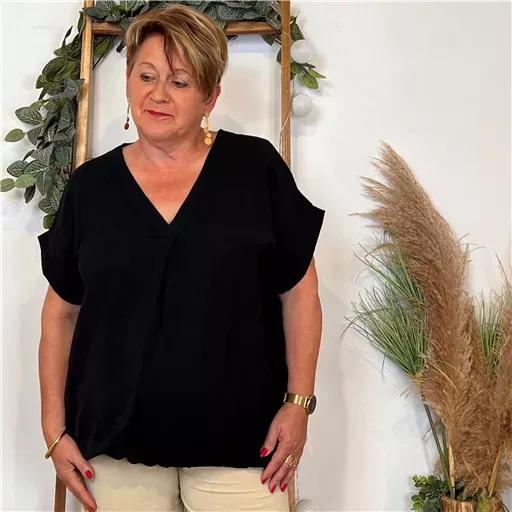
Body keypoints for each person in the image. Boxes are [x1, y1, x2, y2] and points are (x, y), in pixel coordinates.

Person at [38, 4, 325, 511]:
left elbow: (300, 292)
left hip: (243, 442)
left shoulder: (254, 168)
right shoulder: (91, 188)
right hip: (113, 447)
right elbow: (60, 313)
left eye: (180, 82)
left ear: (211, 96)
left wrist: (298, 404)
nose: (158, 95)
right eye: (146, 75)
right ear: (128, 81)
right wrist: (54, 430)